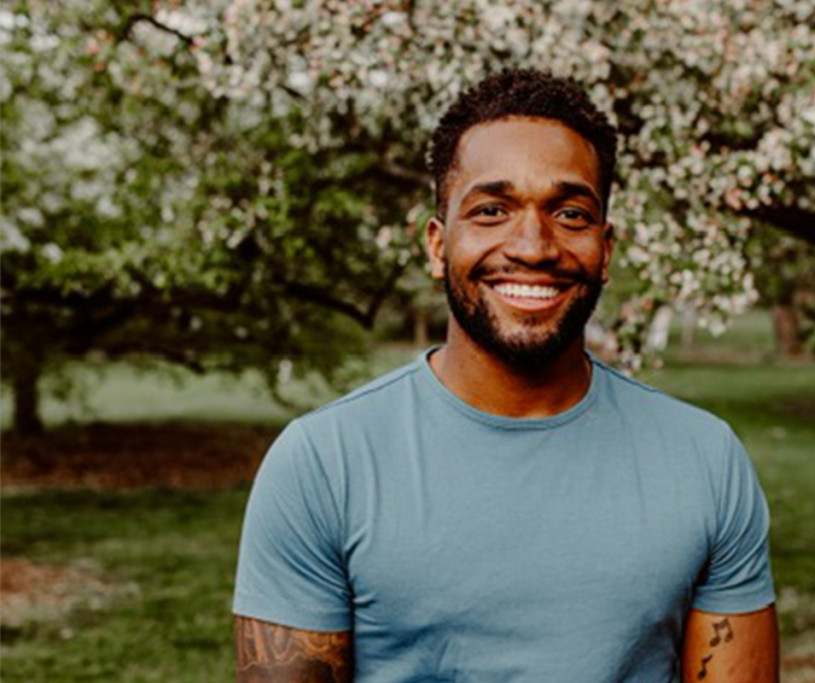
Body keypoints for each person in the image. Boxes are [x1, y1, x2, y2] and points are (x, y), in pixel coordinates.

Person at [233, 68, 778, 682]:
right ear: (438, 246)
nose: (533, 246)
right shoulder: (322, 464)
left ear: (607, 249)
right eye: (492, 210)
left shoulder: (704, 460)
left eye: (570, 213)